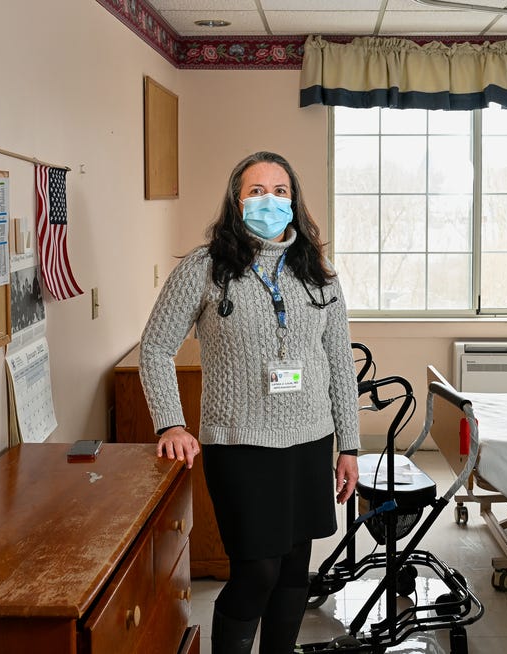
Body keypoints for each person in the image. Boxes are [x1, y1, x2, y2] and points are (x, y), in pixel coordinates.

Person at [139, 151, 360, 654]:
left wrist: (349, 444)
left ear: (295, 201)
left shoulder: (319, 273)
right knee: (256, 571)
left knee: (291, 573)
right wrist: (170, 424)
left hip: (309, 440)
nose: (270, 201)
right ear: (236, 203)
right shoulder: (205, 268)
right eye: (256, 191)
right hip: (239, 444)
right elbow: (155, 346)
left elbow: (338, 362)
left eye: (280, 191)